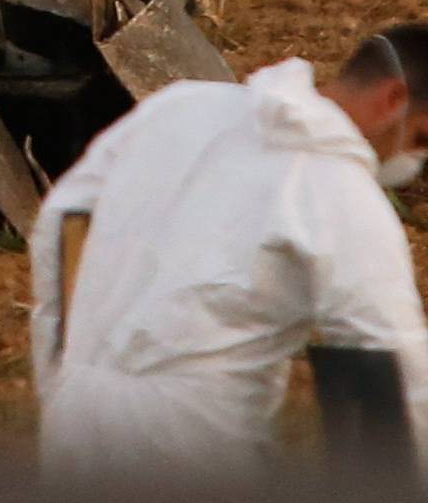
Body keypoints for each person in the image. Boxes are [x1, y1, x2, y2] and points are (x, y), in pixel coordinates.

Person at [30, 25, 428, 477]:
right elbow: (387, 360)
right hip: (196, 439)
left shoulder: (179, 107)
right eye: (420, 140)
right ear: (393, 100)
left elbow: (62, 223)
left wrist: (61, 377)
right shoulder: (340, 193)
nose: (412, 163)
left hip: (78, 417)